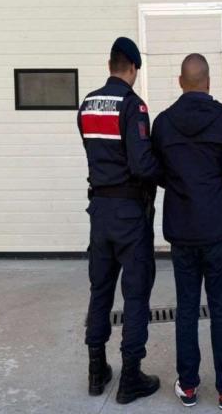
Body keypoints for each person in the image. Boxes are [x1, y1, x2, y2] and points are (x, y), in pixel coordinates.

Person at [151, 54, 222, 410]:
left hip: (182, 229)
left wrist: (179, 185)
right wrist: (218, 190)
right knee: (221, 308)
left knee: (187, 307)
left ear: (181, 82)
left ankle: (188, 386)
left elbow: (156, 170)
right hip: (217, 228)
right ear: (208, 81)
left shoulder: (163, 124)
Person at [77, 37, 162, 405]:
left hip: (99, 212)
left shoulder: (87, 104)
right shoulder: (132, 106)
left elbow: (92, 151)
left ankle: (96, 371)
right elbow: (142, 165)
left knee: (100, 290)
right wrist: (165, 173)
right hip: (129, 212)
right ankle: (131, 377)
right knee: (136, 293)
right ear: (133, 68)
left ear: (110, 65)